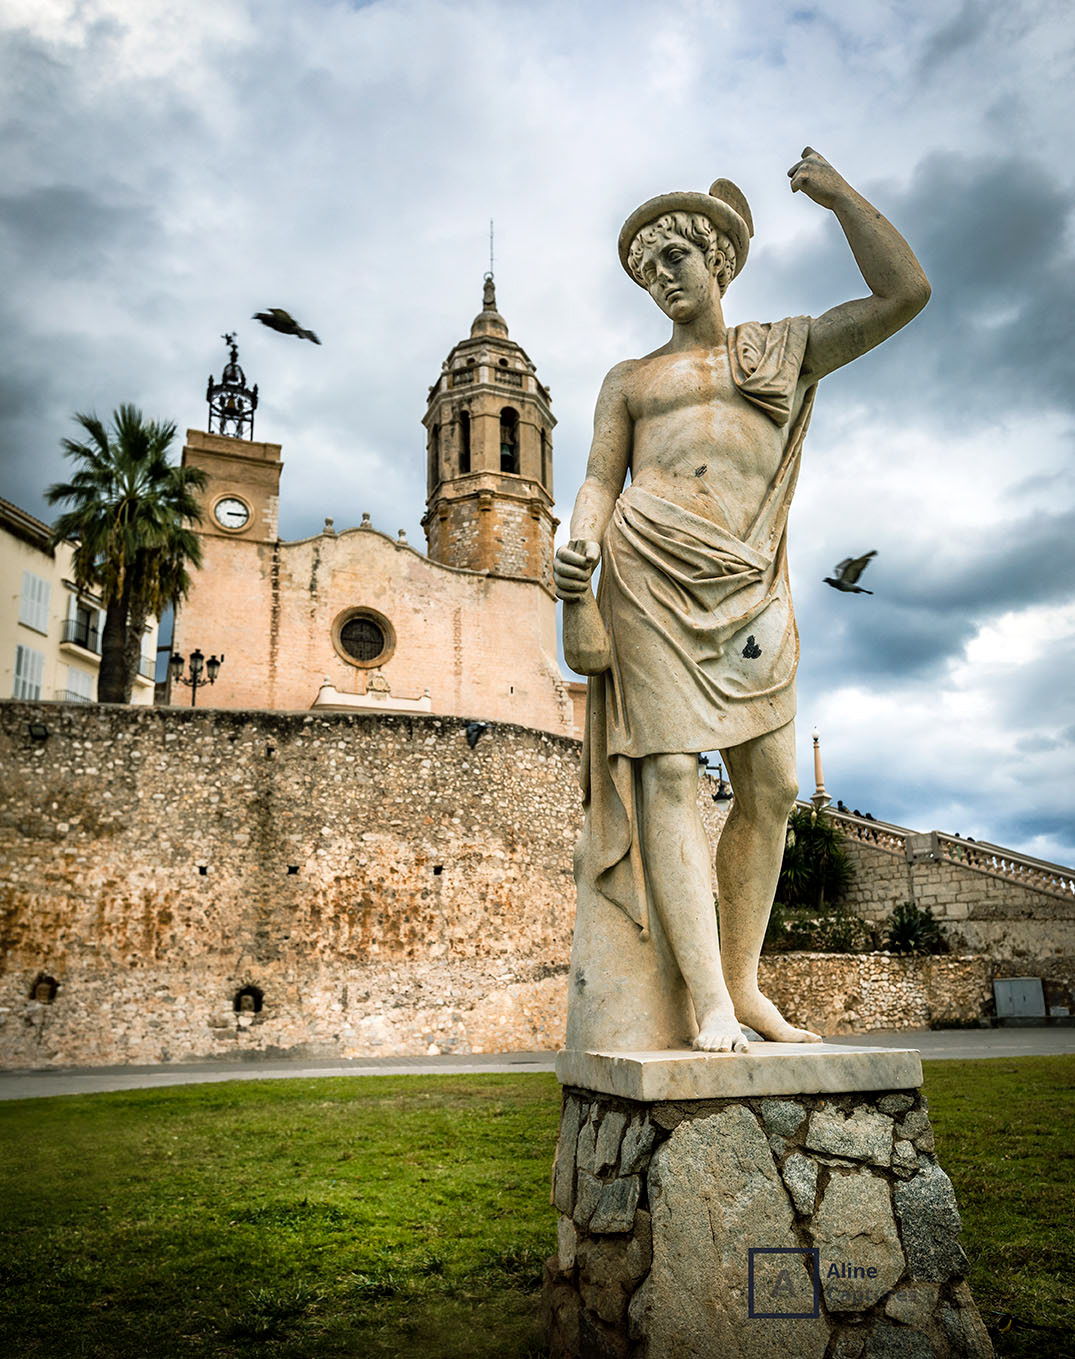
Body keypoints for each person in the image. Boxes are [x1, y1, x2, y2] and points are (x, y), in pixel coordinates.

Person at [554, 149, 930, 1053]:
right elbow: (600, 480)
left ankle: (745, 983)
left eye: (674, 258)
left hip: (749, 581)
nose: (661, 278)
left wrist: (839, 196)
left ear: (716, 259)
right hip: (645, 569)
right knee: (669, 775)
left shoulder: (780, 351)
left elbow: (904, 293)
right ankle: (709, 1001)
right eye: (647, 270)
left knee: (772, 786)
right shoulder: (630, 379)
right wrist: (577, 568)